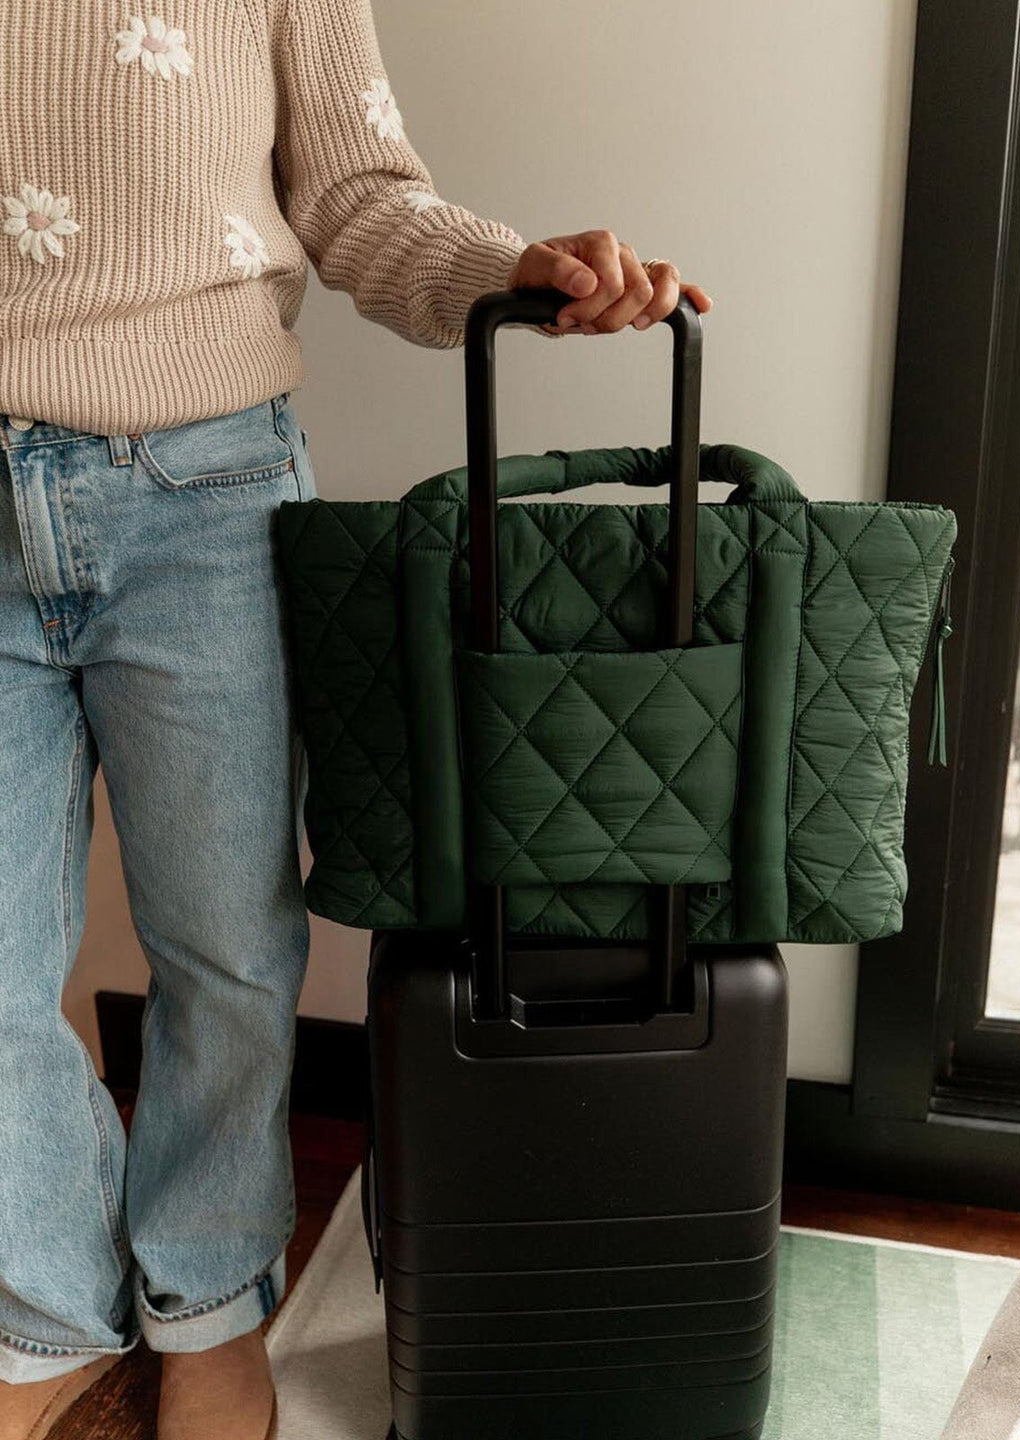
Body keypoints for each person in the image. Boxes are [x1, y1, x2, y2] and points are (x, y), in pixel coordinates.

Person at [0, 3, 712, 1438]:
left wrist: (511, 266)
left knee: (228, 945)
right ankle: (45, 1317)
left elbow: (354, 197)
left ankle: (206, 1300)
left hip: (199, 493)